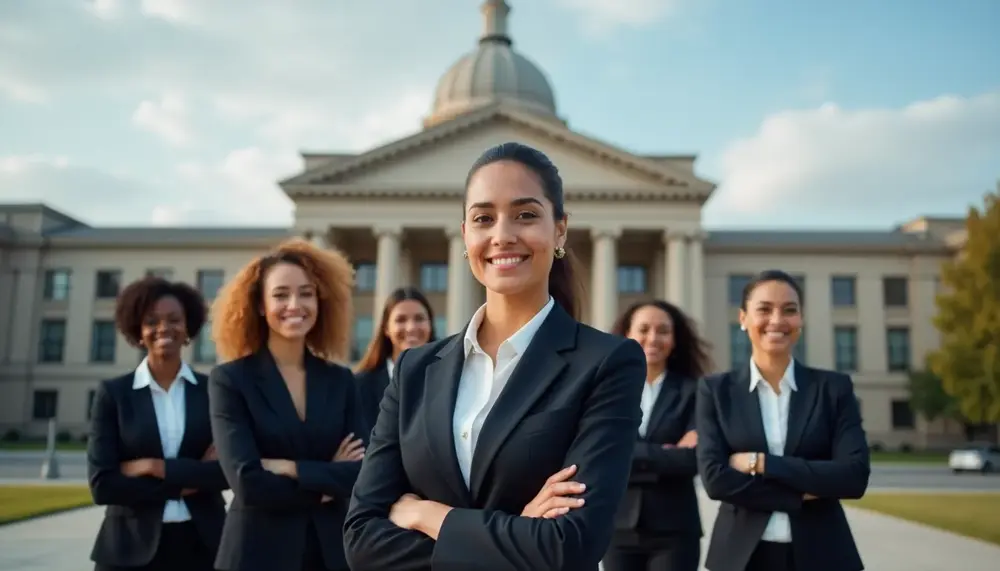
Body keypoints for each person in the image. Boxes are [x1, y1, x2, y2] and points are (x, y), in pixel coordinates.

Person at [343, 141, 647, 571]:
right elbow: (361, 540)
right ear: (465, 234)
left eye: (525, 215)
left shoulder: (607, 363)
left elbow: (571, 544)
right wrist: (518, 531)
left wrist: (429, 515)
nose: (502, 234)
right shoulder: (416, 370)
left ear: (560, 230)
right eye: (484, 218)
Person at [207, 239, 367, 571]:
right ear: (262, 305)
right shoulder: (230, 380)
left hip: (329, 554)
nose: (295, 304)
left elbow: (360, 474)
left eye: (306, 293)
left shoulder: (341, 381)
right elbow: (248, 482)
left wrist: (290, 468)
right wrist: (324, 482)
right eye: (281, 295)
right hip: (256, 554)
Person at [696, 269, 870, 571]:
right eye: (764, 309)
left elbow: (853, 477)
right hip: (740, 557)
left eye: (789, 310)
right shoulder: (716, 390)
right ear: (743, 318)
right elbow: (716, 480)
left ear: (800, 320)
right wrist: (805, 491)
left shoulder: (833, 389)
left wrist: (761, 463)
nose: (777, 321)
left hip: (823, 553)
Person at [87, 276, 228, 571]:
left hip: (204, 545)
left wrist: (151, 467)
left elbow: (225, 473)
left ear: (188, 328)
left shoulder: (213, 391)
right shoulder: (114, 394)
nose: (164, 328)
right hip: (128, 548)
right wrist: (188, 481)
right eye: (152, 321)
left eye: (174, 319)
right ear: (139, 331)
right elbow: (104, 486)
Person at [604, 300, 711, 571]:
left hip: (675, 529)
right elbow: (601, 455)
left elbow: (694, 460)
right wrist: (666, 454)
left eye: (663, 330)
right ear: (627, 335)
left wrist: (629, 455)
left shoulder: (696, 392)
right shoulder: (606, 392)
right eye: (644, 329)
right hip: (616, 528)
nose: (653, 338)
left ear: (675, 340)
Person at [354, 286, 437, 432]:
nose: (411, 327)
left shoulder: (448, 380)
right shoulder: (360, 386)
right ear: (386, 328)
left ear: (430, 325)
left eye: (419, 319)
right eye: (401, 320)